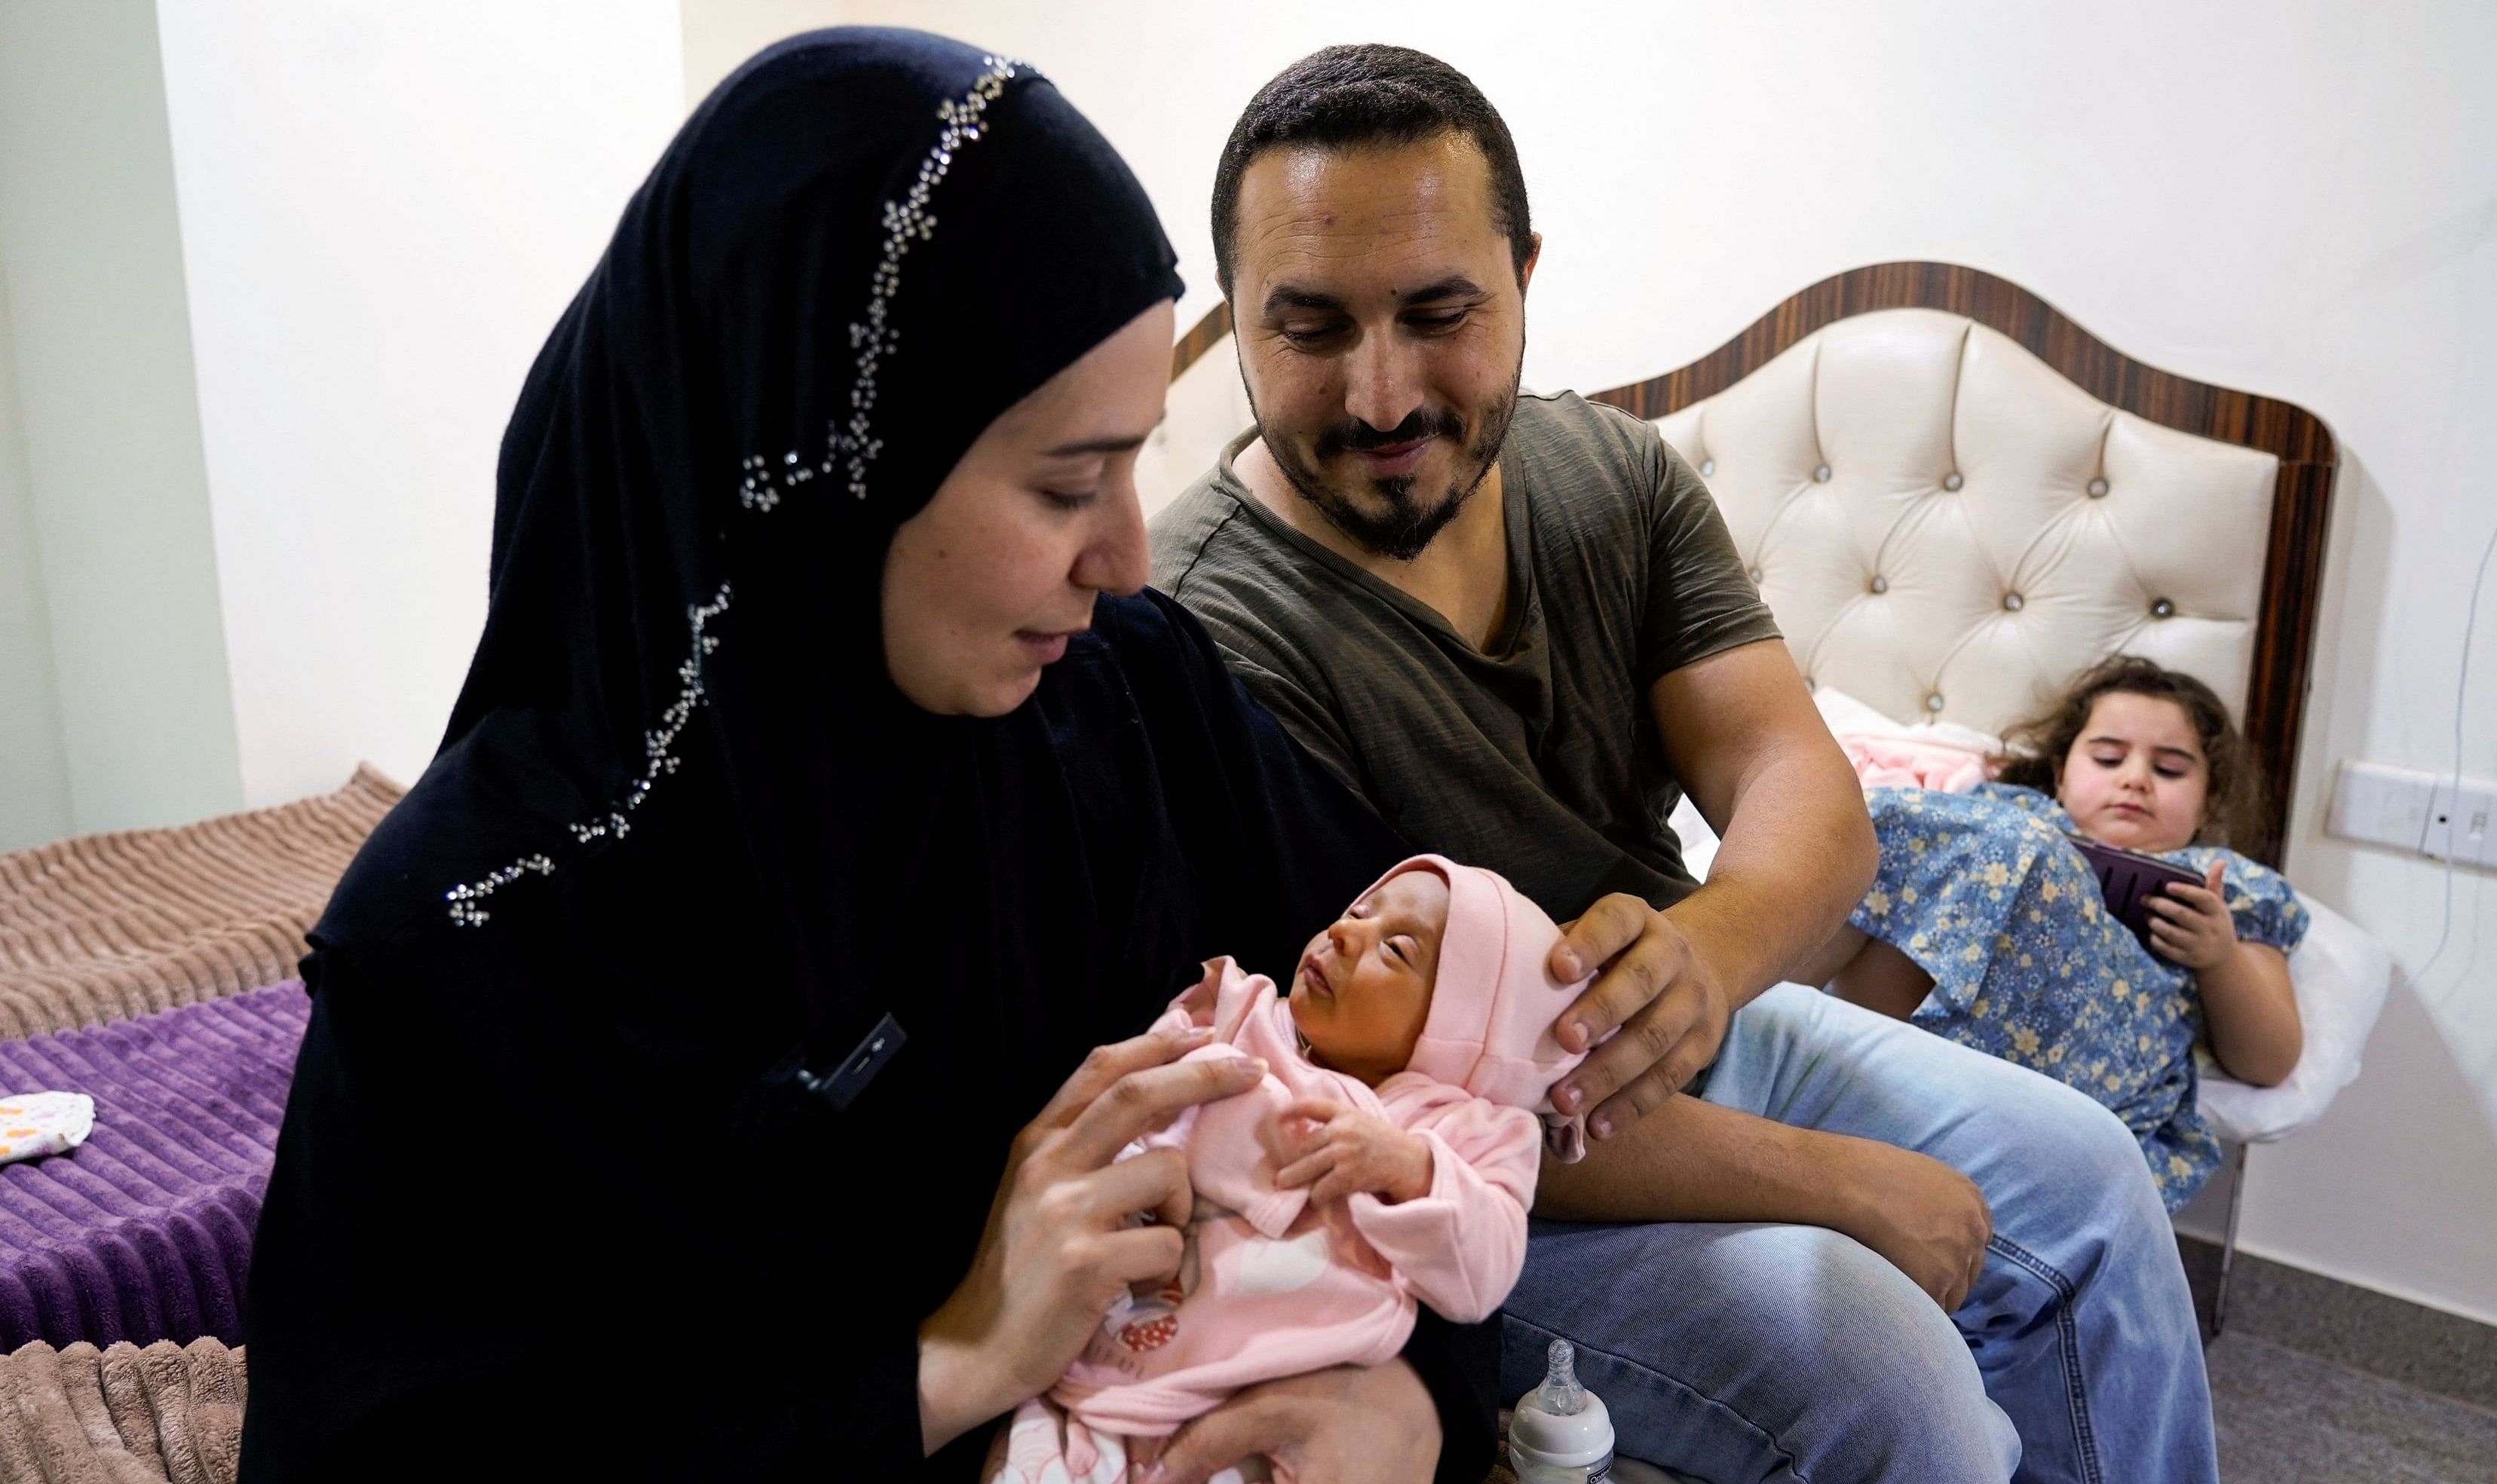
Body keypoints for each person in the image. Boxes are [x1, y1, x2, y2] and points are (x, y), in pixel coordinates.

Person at [239, 32, 1498, 1484]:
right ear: (825, 470)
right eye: (1065, 481)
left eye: (1135, 462)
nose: (1126, 553)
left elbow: (1436, 1070)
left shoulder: (1134, 702)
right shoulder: (481, 941)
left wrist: (1420, 1400)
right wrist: (948, 1362)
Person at [1152, 44, 2217, 1484]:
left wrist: (1704, 955)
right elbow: (1370, 1090)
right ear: (1239, 321)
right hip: (1459, 1170)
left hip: (1703, 1038)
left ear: (1526, 274)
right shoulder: (1204, 638)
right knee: (1883, 1373)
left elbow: (1808, 802)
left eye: (1439, 311)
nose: (1384, 391)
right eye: (1313, 328)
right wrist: (1837, 1184)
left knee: (2094, 1175)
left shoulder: (1612, 479)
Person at [994, 855, 1589, 1484]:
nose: (1342, 932)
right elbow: (1139, 1094)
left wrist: (1409, 1166)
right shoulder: (1241, 1014)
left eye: (1396, 949)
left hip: (1265, 1392)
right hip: (1106, 1350)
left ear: (1468, 1034)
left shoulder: (1462, 1129)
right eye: (1358, 911)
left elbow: (1483, 1273)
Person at [1805, 656, 2310, 1210]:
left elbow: (2272, 1058)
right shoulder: (2008, 814)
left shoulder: (2229, 885)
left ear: (2210, 800)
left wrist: (2220, 957)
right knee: (1876, 830)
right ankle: (1748, 1013)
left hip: (2088, 1058)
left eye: (2169, 770)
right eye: (2109, 757)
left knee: (2028, 851)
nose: (2135, 779)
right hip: (1919, 1025)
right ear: (2061, 772)